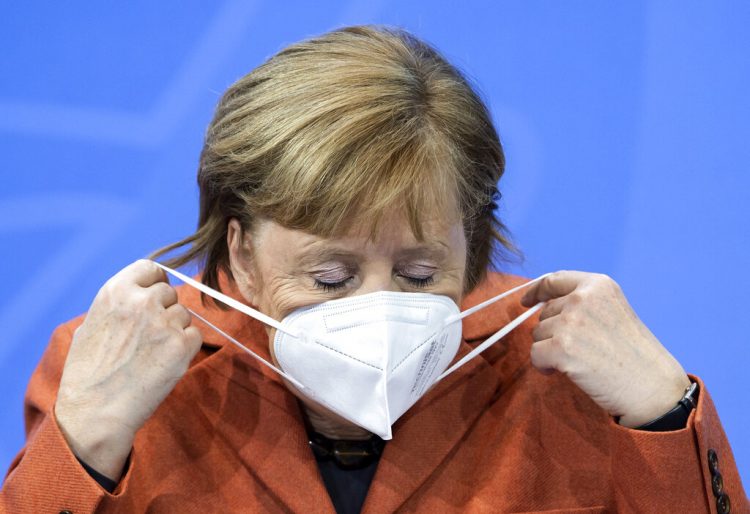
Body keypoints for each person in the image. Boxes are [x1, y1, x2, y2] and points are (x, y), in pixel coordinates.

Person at [1, 25, 746, 514]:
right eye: (331, 278)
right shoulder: (120, 371)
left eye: (421, 273)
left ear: (473, 245)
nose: (380, 305)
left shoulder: (564, 376)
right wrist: (85, 443)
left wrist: (666, 416)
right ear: (240, 253)